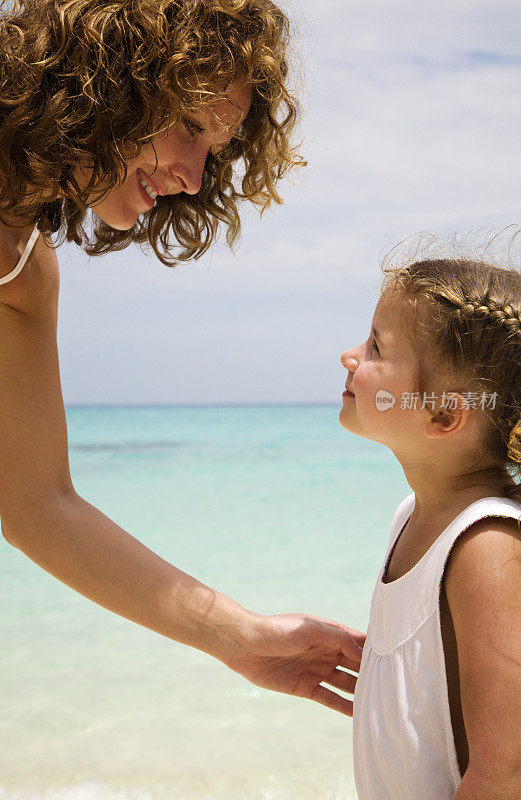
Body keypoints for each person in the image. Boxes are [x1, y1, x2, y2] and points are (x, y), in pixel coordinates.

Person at [0, 0, 365, 720]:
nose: (196, 178)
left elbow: (39, 505)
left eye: (216, 149)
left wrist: (239, 636)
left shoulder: (25, 277)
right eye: (191, 127)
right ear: (110, 81)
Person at [340, 252, 521, 798]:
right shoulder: (412, 515)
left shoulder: (486, 546)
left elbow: (510, 775)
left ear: (445, 415)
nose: (349, 356)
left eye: (377, 347)